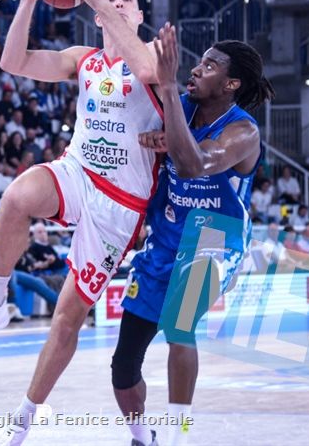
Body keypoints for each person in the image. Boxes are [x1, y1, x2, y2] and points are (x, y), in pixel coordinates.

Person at [0, 0, 163, 446]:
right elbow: (13, 62)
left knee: (65, 322)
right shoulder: (83, 59)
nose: (117, 2)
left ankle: (25, 417)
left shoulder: (155, 52)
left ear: (138, 15)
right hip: (78, 171)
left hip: (120, 206)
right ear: (97, 16)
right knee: (17, 195)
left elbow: (147, 69)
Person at [114, 29, 272, 446]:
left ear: (231, 83)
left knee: (179, 325)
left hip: (216, 237)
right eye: (199, 61)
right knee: (123, 366)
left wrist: (168, 112)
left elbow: (194, 164)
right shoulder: (179, 106)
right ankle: (143, 437)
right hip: (167, 235)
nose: (197, 69)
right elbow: (139, 133)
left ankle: (179, 436)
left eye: (210, 66)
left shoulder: (243, 132)